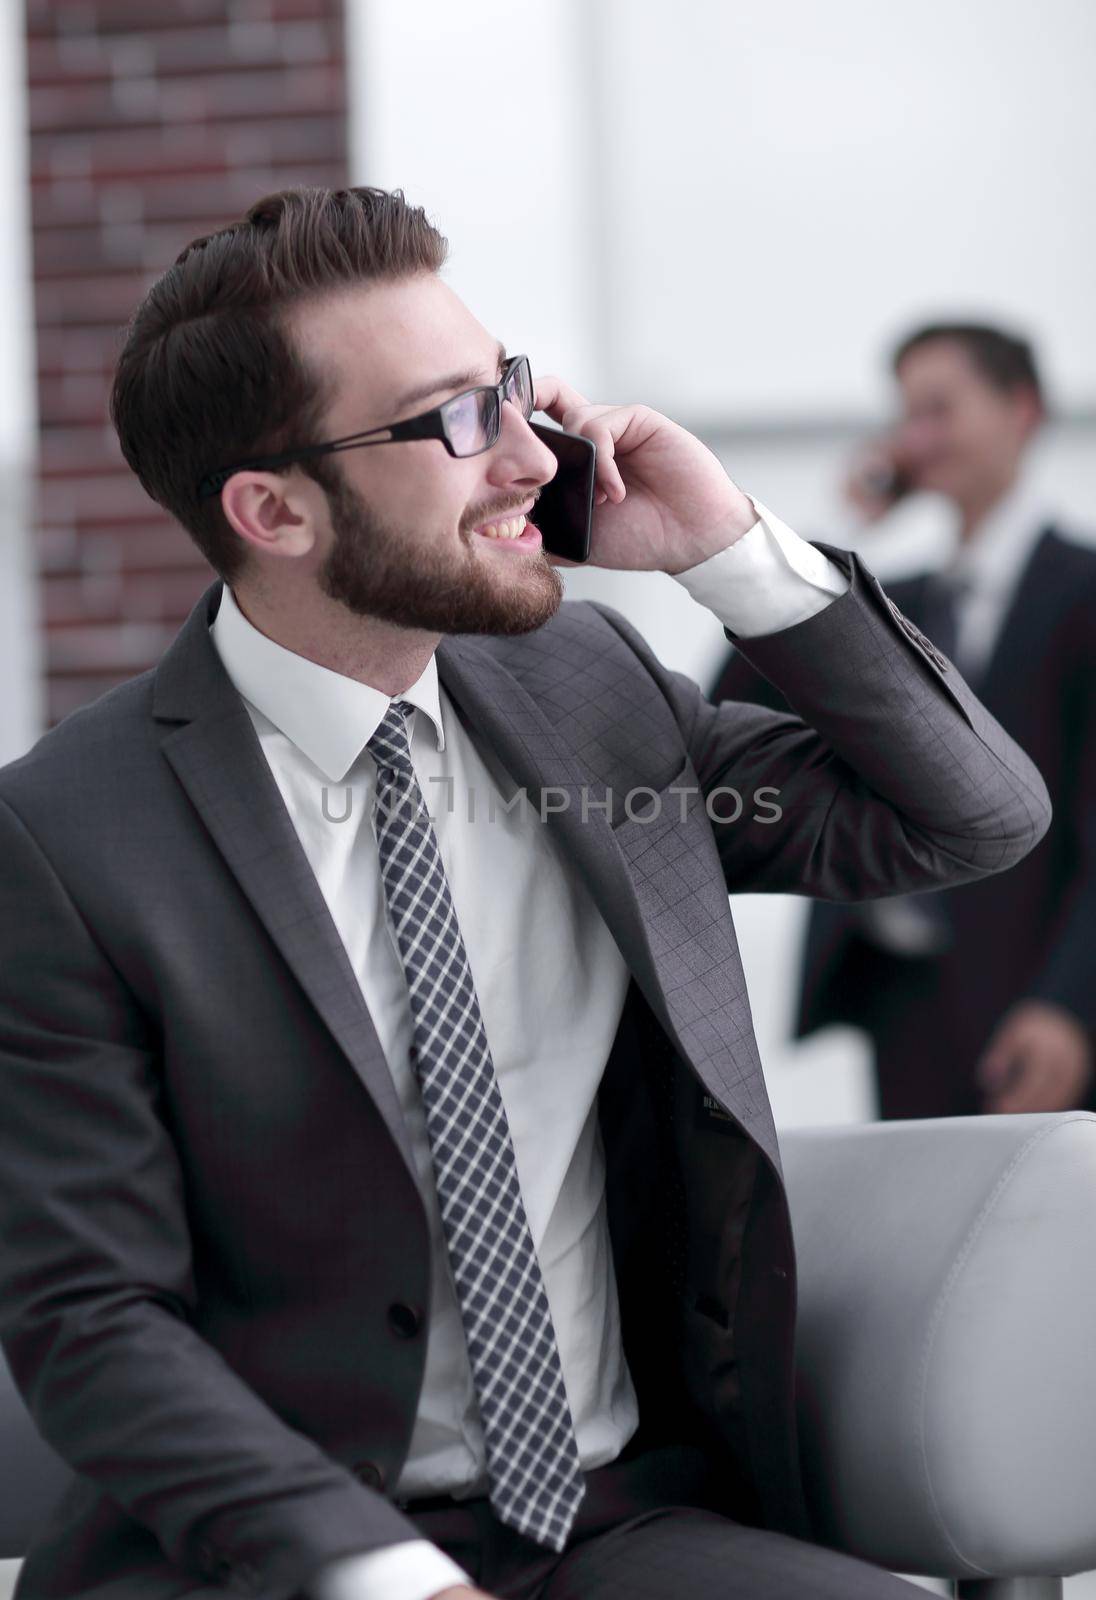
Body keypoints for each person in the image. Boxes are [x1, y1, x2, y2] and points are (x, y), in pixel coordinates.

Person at [0, 190, 1050, 1600]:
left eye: (508, 386)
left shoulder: (591, 698)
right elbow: (90, 1316)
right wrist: (381, 1577)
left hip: (622, 1530)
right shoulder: (69, 835)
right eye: (452, 421)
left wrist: (730, 550)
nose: (529, 455)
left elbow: (971, 816)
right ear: (273, 510)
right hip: (270, 1562)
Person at [712, 321, 1096, 1120]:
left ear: (1019, 410)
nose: (914, 438)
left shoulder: (1082, 595)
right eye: (904, 415)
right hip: (902, 1002)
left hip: (1034, 998)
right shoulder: (896, 602)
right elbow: (737, 710)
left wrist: (1072, 1004)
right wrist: (840, 534)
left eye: (938, 409)